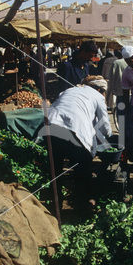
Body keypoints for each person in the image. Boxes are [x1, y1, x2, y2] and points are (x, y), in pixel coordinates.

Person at [41, 76, 111, 210]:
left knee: (55, 169)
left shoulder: (70, 90)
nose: (103, 94)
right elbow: (105, 125)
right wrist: (109, 138)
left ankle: (56, 203)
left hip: (50, 127)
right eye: (103, 91)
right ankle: (82, 205)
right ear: (98, 89)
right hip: (74, 130)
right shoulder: (98, 96)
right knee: (83, 168)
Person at [107, 48, 128, 113]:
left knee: (121, 113)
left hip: (119, 91)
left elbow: (111, 78)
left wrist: (110, 90)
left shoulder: (116, 63)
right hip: (131, 93)